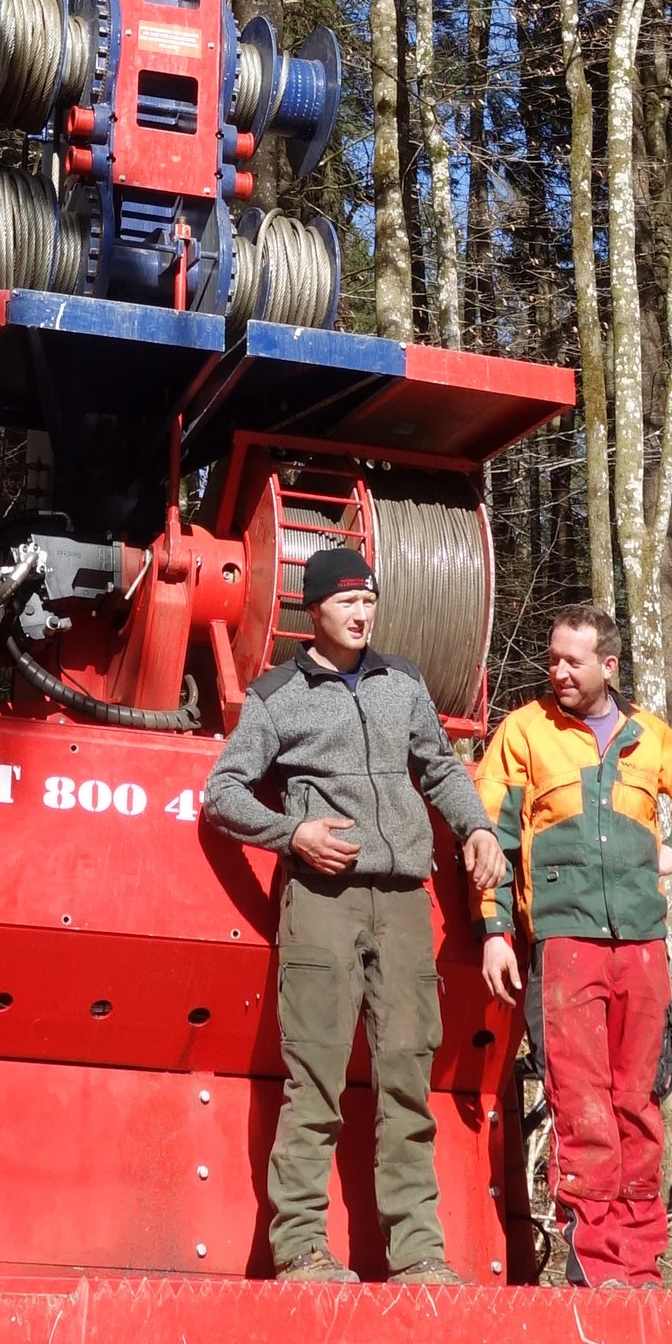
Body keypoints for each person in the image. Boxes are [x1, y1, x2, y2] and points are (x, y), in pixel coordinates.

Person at [203, 541, 504, 1282]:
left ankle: (420, 1257)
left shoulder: (403, 681)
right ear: (316, 610)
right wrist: (292, 834)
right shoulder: (277, 695)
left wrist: (478, 828)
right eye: (347, 601)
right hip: (322, 902)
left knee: (407, 1078)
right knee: (316, 1078)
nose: (362, 611)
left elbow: (440, 766)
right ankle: (301, 1250)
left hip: (405, 901)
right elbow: (223, 793)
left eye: (369, 600)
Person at [477, 601, 672, 1285]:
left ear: (608, 666)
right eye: (552, 658)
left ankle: (640, 1264)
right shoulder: (524, 732)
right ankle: (594, 1263)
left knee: (638, 1104)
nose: (556, 671)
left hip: (643, 946)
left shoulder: (647, 738)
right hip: (564, 944)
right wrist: (496, 931)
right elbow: (491, 841)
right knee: (583, 1102)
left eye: (572, 661)